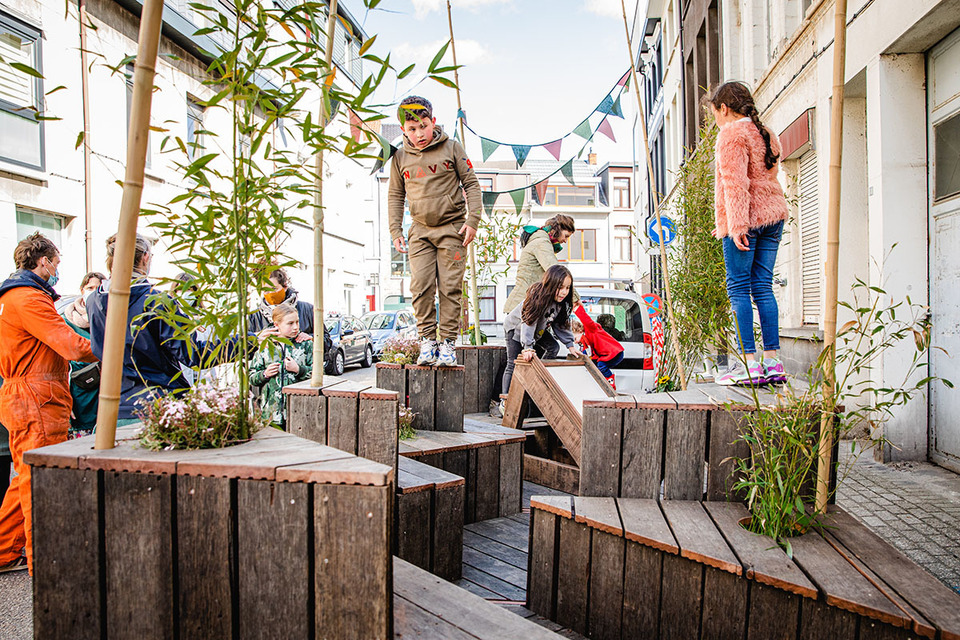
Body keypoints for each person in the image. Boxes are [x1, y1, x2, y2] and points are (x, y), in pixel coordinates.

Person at [0, 233, 97, 574]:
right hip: (37, 397)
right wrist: (108, 343)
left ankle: (4, 550)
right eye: (56, 263)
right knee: (41, 478)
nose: (57, 269)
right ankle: (44, 560)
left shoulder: (15, 297)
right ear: (42, 261)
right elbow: (69, 344)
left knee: (24, 476)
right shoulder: (28, 298)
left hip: (26, 395)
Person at [389, 95, 482, 368]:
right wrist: (396, 228)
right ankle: (428, 340)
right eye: (412, 129)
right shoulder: (399, 158)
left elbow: (472, 185)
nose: (419, 134)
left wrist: (473, 219)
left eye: (424, 126)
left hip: (453, 228)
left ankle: (448, 344)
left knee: (450, 287)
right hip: (419, 231)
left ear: (433, 122)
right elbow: (395, 195)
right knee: (420, 286)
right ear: (404, 130)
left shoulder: (452, 148)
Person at [708, 81, 789, 386]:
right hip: (773, 215)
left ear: (723, 108)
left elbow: (735, 183)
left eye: (714, 111)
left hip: (747, 219)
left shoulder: (731, 134)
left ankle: (748, 365)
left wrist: (738, 225)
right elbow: (770, 175)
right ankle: (773, 363)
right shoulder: (765, 132)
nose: (715, 118)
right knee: (764, 288)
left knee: (739, 289)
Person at [88, 234, 215, 424]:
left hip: (113, 409)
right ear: (146, 257)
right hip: (157, 406)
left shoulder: (93, 301)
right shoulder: (157, 301)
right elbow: (194, 354)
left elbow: (98, 350)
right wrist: (248, 341)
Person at [501, 265, 582, 399]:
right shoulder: (536, 297)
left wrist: (570, 345)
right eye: (560, 287)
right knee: (513, 363)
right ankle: (506, 400)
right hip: (516, 328)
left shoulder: (560, 303)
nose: (564, 292)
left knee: (553, 347)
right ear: (551, 284)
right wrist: (527, 347)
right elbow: (529, 322)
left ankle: (538, 376)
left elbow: (561, 325)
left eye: (567, 288)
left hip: (537, 329)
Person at [250, 304, 312, 429]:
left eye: (297, 322)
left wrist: (299, 370)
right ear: (276, 325)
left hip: (300, 411)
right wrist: (264, 374)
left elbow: (320, 374)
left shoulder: (305, 344)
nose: (295, 327)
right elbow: (252, 376)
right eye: (290, 323)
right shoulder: (265, 346)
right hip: (271, 413)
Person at [61, 271, 106, 436]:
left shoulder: (109, 318)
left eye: (98, 287)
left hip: (106, 398)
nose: (93, 291)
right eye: (90, 287)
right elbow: (62, 364)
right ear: (82, 290)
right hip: (81, 398)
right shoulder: (68, 321)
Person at [503, 214, 577, 316]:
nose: (565, 241)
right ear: (557, 230)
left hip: (528, 304)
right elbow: (556, 273)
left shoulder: (542, 242)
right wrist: (575, 298)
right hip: (522, 306)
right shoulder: (542, 243)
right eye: (566, 236)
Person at [573, 306, 625, 388]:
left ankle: (610, 384)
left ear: (579, 331)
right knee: (595, 363)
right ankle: (599, 383)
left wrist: (576, 309)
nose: (575, 342)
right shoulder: (586, 342)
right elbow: (587, 353)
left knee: (601, 364)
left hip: (614, 353)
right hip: (608, 354)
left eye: (575, 338)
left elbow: (586, 320)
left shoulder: (591, 330)